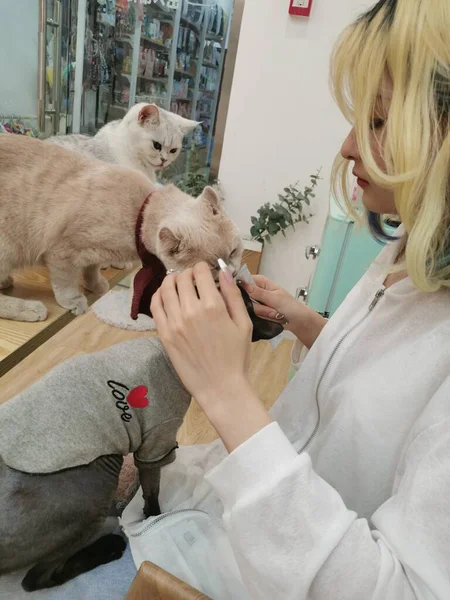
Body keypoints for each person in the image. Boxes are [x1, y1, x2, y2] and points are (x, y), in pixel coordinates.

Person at [148, 0, 450, 598]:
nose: (347, 147)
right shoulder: (413, 251)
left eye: (379, 122)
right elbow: (388, 385)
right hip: (207, 519)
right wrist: (312, 326)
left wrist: (226, 393)